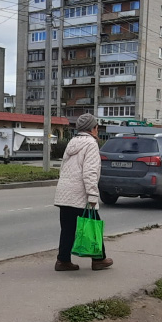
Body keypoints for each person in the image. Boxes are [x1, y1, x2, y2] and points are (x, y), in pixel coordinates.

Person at [53, 113, 113, 271]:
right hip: (80, 194)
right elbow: (90, 172)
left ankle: (63, 261)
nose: (97, 130)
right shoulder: (91, 144)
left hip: (64, 192)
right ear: (93, 128)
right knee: (93, 225)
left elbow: (64, 168)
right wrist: (93, 195)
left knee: (68, 228)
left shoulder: (72, 142)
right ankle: (99, 259)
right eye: (96, 127)